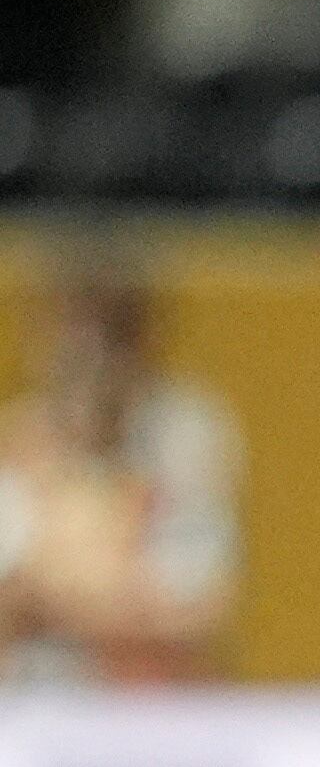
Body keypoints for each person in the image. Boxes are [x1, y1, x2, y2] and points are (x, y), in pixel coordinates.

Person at [0, 241, 239, 683]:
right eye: (70, 329)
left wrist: (72, 594)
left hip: (149, 706)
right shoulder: (18, 439)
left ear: (145, 336)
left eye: (109, 332)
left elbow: (200, 606)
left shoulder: (182, 433)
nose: (89, 354)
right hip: (35, 704)